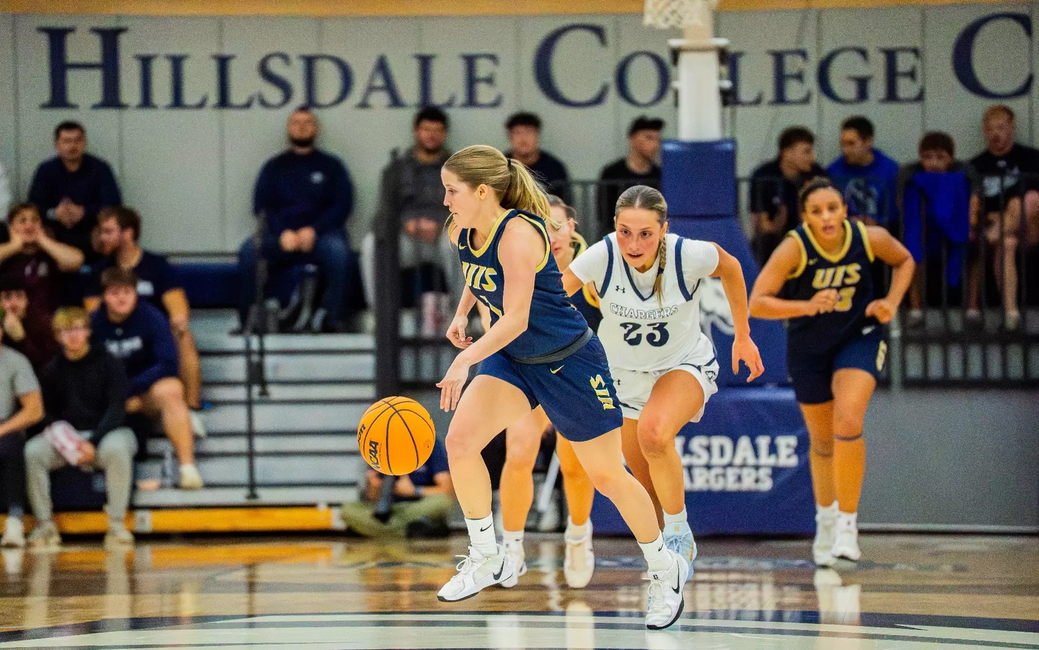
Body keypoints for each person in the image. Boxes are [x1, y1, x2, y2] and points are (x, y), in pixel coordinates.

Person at [436, 145, 688, 630]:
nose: (445, 200)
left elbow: (515, 318)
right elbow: (475, 270)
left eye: (452, 191)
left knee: (607, 475)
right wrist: (462, 310)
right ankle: (487, 555)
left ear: (483, 191)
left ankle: (664, 567)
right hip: (514, 361)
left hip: (568, 362)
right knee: (461, 442)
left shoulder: (520, 235)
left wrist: (465, 359)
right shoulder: (462, 227)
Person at [561, 185, 764, 566]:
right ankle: (664, 569)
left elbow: (732, 267)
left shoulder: (688, 254)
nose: (633, 243)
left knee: (653, 433)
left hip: (682, 364)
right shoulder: (601, 255)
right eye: (625, 231)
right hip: (624, 376)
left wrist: (743, 334)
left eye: (645, 234)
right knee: (643, 483)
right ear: (614, 227)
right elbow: (553, 296)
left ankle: (679, 531)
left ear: (664, 230)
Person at [749, 177, 913, 566]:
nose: (826, 217)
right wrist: (806, 305)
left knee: (849, 418)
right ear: (804, 217)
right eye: (817, 211)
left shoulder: (868, 237)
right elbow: (758, 303)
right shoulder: (794, 248)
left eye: (833, 208)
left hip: (859, 337)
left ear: (844, 210)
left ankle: (847, 524)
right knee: (822, 443)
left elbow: (905, 259)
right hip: (809, 348)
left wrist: (890, 300)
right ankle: (825, 520)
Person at [497, 195, 601, 590]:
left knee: (574, 465)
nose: (551, 234)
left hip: (578, 374)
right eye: (543, 227)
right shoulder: (522, 263)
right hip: (531, 369)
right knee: (519, 450)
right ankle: (512, 547)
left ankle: (577, 534)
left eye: (557, 225)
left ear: (572, 227)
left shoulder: (593, 268)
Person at [237, 108, 357, 333]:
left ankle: (334, 320)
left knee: (340, 252)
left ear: (316, 128)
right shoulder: (274, 167)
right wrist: (283, 233)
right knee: (249, 252)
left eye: (307, 122)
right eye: (296, 122)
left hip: (322, 235)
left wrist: (314, 231)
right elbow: (262, 206)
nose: (301, 127)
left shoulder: (332, 166)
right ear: (288, 128)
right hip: (281, 236)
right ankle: (251, 323)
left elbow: (343, 205)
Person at [25, 307, 136, 549]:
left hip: (106, 433)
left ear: (87, 331)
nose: (73, 335)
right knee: (33, 452)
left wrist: (93, 442)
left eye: (77, 328)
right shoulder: (51, 369)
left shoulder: (109, 361)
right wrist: (66, 440)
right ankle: (45, 525)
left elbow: (117, 407)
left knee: (118, 448)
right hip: (69, 440)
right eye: (66, 330)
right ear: (57, 336)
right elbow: (44, 413)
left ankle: (116, 525)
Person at [87, 207, 205, 431]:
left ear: (128, 233)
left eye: (108, 231)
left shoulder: (156, 265)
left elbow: (177, 306)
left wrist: (176, 320)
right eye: (101, 232)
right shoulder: (100, 270)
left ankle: (192, 409)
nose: (102, 237)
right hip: (116, 340)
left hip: (154, 337)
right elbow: (94, 314)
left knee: (184, 335)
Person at [91, 268, 203, 490]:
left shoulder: (151, 317)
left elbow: (168, 363)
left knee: (172, 389)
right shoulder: (94, 323)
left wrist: (132, 391)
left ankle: (187, 469)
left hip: (143, 392)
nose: (121, 298)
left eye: (126, 292)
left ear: (136, 294)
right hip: (108, 397)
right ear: (104, 297)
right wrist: (116, 397)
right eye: (114, 293)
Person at [361, 107, 458, 337]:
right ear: (416, 132)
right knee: (371, 245)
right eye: (426, 129)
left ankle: (460, 315)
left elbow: (468, 208)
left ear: (444, 134)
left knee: (458, 242)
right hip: (406, 238)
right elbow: (383, 212)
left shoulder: (458, 168)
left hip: (442, 236)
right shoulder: (396, 169)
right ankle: (379, 314)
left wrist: (442, 225)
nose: (431, 135)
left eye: (437, 130)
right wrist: (407, 225)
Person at [967, 105, 1039, 331]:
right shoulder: (976, 165)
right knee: (1006, 243)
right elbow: (975, 206)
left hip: (1031, 228)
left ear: (1012, 128)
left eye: (1002, 127)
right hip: (996, 227)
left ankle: (992, 235)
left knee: (1027, 200)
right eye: (991, 129)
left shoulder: (1031, 158)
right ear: (985, 132)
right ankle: (1011, 314)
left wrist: (1005, 213)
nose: (997, 133)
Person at [896, 132, 978, 328]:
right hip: (924, 230)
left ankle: (972, 309)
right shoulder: (909, 173)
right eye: (928, 157)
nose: (933, 163)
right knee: (910, 249)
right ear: (920, 156)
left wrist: (970, 226)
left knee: (976, 247)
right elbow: (902, 207)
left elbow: (975, 202)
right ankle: (915, 309)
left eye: (940, 157)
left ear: (951, 158)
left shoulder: (965, 172)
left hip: (957, 229)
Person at [27, 121, 122, 255]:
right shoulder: (46, 170)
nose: (72, 146)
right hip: (55, 229)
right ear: (57, 145)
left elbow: (113, 204)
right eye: (66, 141)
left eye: (77, 141)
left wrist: (84, 212)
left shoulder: (100, 168)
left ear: (84, 143)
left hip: (92, 228)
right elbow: (33, 205)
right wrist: (55, 213)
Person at [340, 435, 453, 538]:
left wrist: (414, 490)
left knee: (442, 502)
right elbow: (372, 499)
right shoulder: (378, 445)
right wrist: (375, 487)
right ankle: (413, 531)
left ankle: (372, 530)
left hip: (418, 506)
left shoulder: (429, 441)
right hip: (388, 508)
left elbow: (446, 490)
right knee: (347, 510)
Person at [749, 127, 827, 266]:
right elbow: (762, 226)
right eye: (806, 151)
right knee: (765, 242)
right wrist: (779, 222)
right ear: (787, 153)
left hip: (811, 235)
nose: (812, 157)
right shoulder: (764, 176)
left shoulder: (817, 175)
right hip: (777, 239)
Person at [0, 313, 44, 549]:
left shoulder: (16, 361)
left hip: (4, 425)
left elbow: (35, 410)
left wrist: (3, 428)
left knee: (11, 445)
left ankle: (14, 522)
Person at [0, 204, 85, 316]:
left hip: (48, 321)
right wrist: (14, 245)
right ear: (11, 227)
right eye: (22, 221)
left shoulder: (49, 253)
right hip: (11, 323)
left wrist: (42, 239)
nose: (29, 225)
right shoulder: (6, 254)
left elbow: (76, 261)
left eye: (35, 220)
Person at [826, 116, 900, 228]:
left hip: (882, 236)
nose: (845, 150)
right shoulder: (833, 172)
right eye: (843, 144)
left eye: (851, 144)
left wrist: (877, 221)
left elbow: (896, 212)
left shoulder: (890, 171)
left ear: (868, 141)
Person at [598, 116, 665, 238]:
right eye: (649, 138)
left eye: (658, 140)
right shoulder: (612, 173)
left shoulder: (660, 175)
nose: (655, 145)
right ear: (633, 139)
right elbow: (604, 213)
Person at [504, 112, 571, 204]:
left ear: (537, 135)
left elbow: (563, 204)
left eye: (529, 132)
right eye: (517, 133)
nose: (523, 139)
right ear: (509, 136)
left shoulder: (554, 167)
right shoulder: (500, 165)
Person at [0, 274, 58, 372]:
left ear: (27, 300)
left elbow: (47, 367)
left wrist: (21, 339)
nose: (14, 302)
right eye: (7, 296)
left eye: (19, 296)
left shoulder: (41, 323)